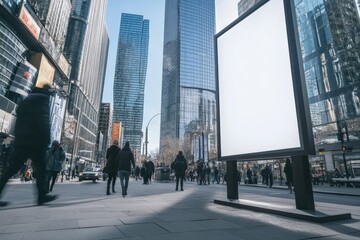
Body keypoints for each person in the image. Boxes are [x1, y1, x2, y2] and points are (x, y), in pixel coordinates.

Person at [0, 85, 57, 207]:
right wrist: (47, 139)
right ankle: (41, 197)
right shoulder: (41, 102)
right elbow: (42, 122)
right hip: (36, 143)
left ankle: (42, 196)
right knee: (40, 171)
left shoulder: (25, 102)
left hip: (21, 142)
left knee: (10, 171)